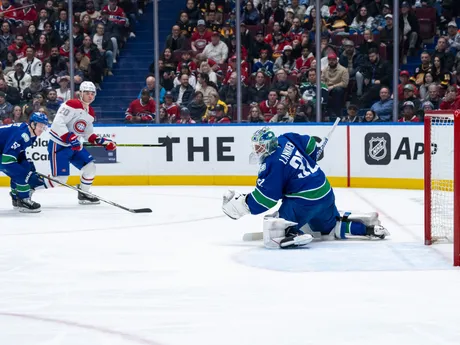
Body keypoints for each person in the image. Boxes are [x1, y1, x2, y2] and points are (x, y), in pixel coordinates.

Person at [222, 127, 390, 249]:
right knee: (330, 228)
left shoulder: (272, 163)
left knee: (275, 225)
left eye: (259, 146)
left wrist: (245, 204)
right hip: (325, 192)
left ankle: (291, 233)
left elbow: (266, 198)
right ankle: (368, 228)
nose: (257, 150)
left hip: (304, 202)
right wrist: (314, 153)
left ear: (267, 145)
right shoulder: (286, 138)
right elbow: (310, 144)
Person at [48, 81, 117, 205]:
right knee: (59, 179)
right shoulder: (72, 104)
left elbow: (87, 134)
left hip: (73, 147)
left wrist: (103, 142)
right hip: (59, 145)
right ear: (80, 93)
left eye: (92, 94)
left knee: (90, 168)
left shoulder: (90, 112)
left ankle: (84, 193)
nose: (90, 96)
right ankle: (28, 189)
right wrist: (70, 137)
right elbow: (58, 122)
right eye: (87, 93)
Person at [0, 112, 49, 213]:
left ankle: (16, 197)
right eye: (40, 125)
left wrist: (29, 166)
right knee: (21, 172)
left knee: (25, 167)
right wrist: (28, 175)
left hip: (2, 151)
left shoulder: (31, 134)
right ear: (32, 124)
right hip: (3, 154)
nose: (42, 129)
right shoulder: (22, 134)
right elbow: (7, 161)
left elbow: (18, 153)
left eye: (44, 126)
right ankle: (23, 199)